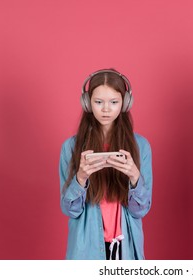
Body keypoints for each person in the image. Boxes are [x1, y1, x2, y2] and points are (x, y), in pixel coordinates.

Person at [59, 69, 152, 260]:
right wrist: (80, 178)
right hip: (86, 251)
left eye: (114, 102)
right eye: (98, 102)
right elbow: (70, 210)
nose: (106, 109)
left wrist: (134, 177)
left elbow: (140, 210)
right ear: (87, 103)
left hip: (125, 250)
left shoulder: (140, 146)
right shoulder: (71, 147)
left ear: (125, 103)